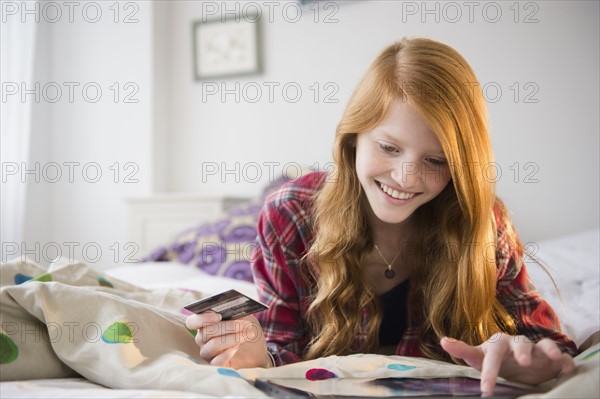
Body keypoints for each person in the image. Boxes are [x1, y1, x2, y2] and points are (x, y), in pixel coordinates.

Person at [186, 37, 577, 396]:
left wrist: (523, 353)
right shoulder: (289, 213)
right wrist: (258, 356)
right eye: (389, 147)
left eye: (435, 160)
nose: (406, 178)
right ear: (354, 137)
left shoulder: (483, 223)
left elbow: (548, 343)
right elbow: (280, 345)